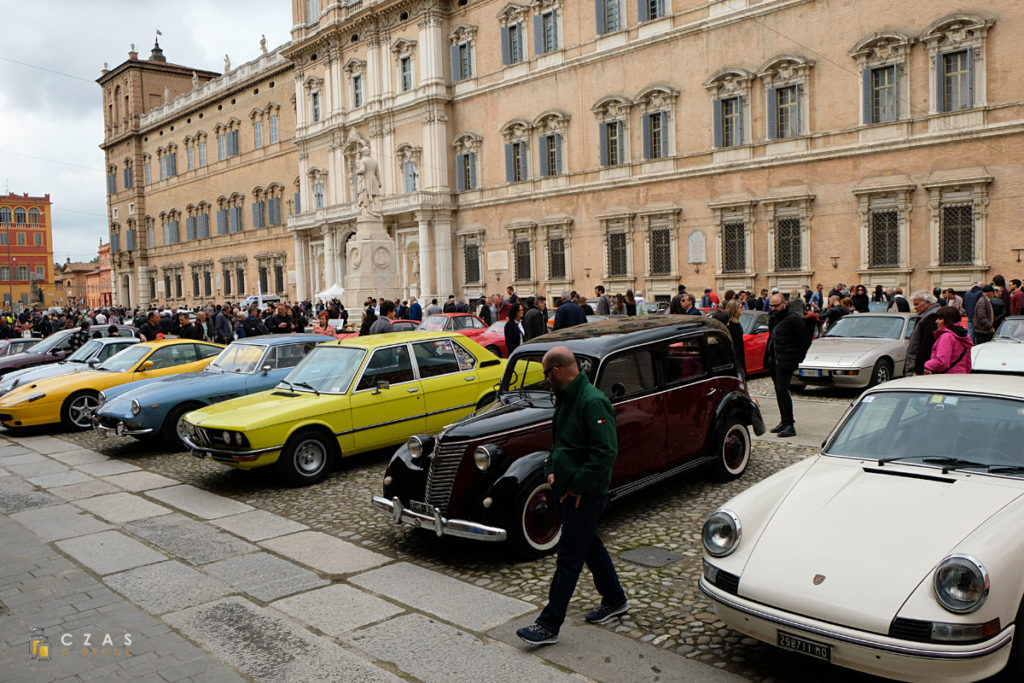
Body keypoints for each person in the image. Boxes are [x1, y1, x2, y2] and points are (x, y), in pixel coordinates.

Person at [516, 346, 627, 647]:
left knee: (568, 557)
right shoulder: (567, 397)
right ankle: (615, 599)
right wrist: (552, 468)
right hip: (567, 490)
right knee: (589, 545)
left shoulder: (592, 401)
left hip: (584, 494)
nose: (545, 380)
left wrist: (577, 485)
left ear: (555, 372)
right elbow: (562, 443)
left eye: (545, 374)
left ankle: (549, 624)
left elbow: (605, 453)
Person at [763, 293, 810, 438]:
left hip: (786, 361)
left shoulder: (794, 319)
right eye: (771, 305)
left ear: (784, 304)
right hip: (774, 360)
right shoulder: (773, 317)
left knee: (782, 390)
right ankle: (784, 421)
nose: (773, 308)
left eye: (776, 305)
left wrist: (796, 359)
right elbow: (772, 337)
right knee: (778, 391)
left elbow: (804, 341)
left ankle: (790, 425)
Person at [924, 307, 972, 374]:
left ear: (948, 320)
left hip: (946, 378)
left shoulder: (946, 337)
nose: (936, 321)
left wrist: (927, 365)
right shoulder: (963, 335)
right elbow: (968, 363)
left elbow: (942, 362)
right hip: (961, 375)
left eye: (940, 319)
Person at [904, 291, 940, 376]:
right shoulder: (927, 316)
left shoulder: (931, 318)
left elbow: (926, 346)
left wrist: (918, 370)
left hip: (922, 368)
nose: (914, 308)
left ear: (927, 303)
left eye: (917, 304)